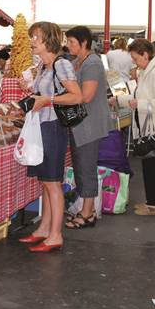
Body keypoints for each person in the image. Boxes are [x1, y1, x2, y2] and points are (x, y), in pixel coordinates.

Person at [17, 21, 82, 253]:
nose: (32, 42)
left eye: (36, 37)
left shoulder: (61, 64)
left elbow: (77, 96)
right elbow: (42, 94)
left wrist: (48, 100)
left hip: (53, 128)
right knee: (45, 181)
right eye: (32, 37)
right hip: (41, 127)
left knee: (53, 182)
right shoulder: (44, 66)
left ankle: (56, 235)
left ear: (49, 40)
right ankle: (44, 229)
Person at [116, 38, 155, 216]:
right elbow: (138, 95)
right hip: (149, 129)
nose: (135, 62)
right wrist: (120, 100)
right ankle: (151, 201)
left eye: (136, 58)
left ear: (145, 54)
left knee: (153, 166)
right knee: (149, 165)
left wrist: (139, 104)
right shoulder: (147, 71)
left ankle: (154, 205)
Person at [64, 26, 111, 230]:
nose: (68, 45)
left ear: (84, 43)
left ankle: (87, 213)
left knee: (86, 167)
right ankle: (87, 209)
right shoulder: (76, 62)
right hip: (79, 124)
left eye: (72, 42)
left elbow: (86, 96)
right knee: (81, 166)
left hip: (89, 124)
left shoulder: (92, 63)